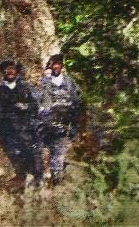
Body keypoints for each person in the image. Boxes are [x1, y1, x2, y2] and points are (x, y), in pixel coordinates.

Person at [0, 59, 43, 188]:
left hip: (25, 127)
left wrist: (26, 106)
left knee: (31, 151)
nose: (9, 71)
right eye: (6, 69)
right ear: (3, 72)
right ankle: (21, 176)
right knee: (13, 153)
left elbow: (36, 105)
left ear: (16, 71)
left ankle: (37, 177)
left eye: (12, 69)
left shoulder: (26, 87)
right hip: (7, 129)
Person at [37, 54, 81, 185]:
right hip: (48, 125)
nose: (56, 66)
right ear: (49, 66)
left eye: (58, 63)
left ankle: (57, 180)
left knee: (59, 152)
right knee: (53, 152)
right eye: (53, 63)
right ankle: (55, 179)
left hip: (64, 124)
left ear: (62, 65)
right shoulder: (44, 81)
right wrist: (46, 78)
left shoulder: (69, 81)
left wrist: (74, 121)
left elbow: (76, 100)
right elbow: (42, 101)